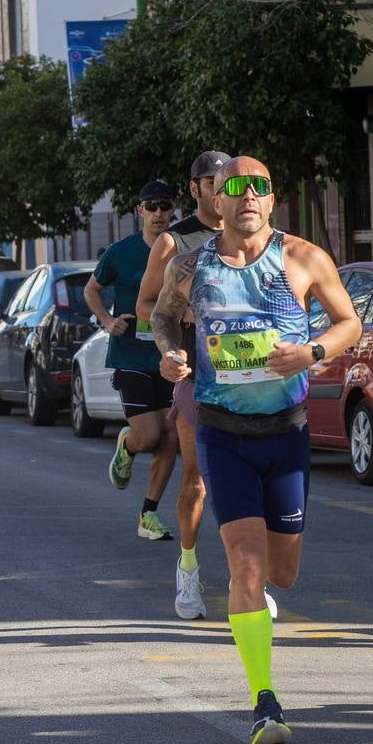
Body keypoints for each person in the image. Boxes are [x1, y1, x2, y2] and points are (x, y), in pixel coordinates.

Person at [152, 156, 361, 744]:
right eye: (233, 188)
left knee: (282, 573)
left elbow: (349, 321)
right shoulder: (190, 265)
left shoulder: (303, 258)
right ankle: (264, 702)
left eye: (259, 187)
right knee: (244, 565)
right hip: (222, 432)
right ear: (214, 200)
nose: (246, 197)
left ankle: (257, 600)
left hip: (287, 431)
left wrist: (314, 353)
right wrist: (171, 356)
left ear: (273, 199)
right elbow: (164, 319)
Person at [135, 150, 231, 620]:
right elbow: (149, 306)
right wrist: (174, 337)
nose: (224, 191)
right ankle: (188, 569)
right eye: (213, 183)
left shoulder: (254, 237)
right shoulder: (175, 242)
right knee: (196, 481)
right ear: (195, 189)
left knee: (247, 480)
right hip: (197, 375)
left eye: (229, 182)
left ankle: (248, 577)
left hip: (248, 376)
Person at [85, 181, 179, 545]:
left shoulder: (181, 250)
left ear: (173, 210)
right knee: (150, 435)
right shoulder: (120, 253)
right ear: (140, 211)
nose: (158, 213)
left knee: (171, 437)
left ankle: (149, 514)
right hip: (130, 356)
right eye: (150, 206)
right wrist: (108, 322)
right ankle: (128, 445)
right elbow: (91, 289)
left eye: (164, 206)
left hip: (169, 356)